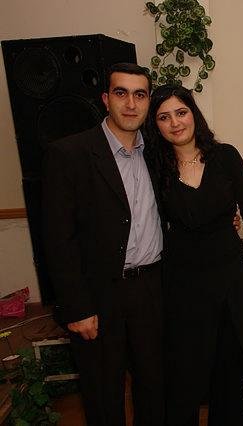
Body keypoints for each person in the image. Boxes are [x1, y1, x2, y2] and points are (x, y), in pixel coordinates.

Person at [144, 85, 243, 425]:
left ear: (194, 114)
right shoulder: (153, 167)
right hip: (182, 280)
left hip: (229, 276)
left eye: (181, 112)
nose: (175, 123)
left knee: (228, 368)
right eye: (164, 117)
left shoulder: (226, 156)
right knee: (184, 371)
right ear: (155, 125)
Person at [42, 63, 164, 425]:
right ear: (105, 99)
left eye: (140, 94)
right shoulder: (70, 154)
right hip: (99, 295)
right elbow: (58, 240)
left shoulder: (158, 153)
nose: (131, 103)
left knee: (154, 388)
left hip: (152, 290)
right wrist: (77, 307)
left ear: (148, 101)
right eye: (121, 93)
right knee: (103, 394)